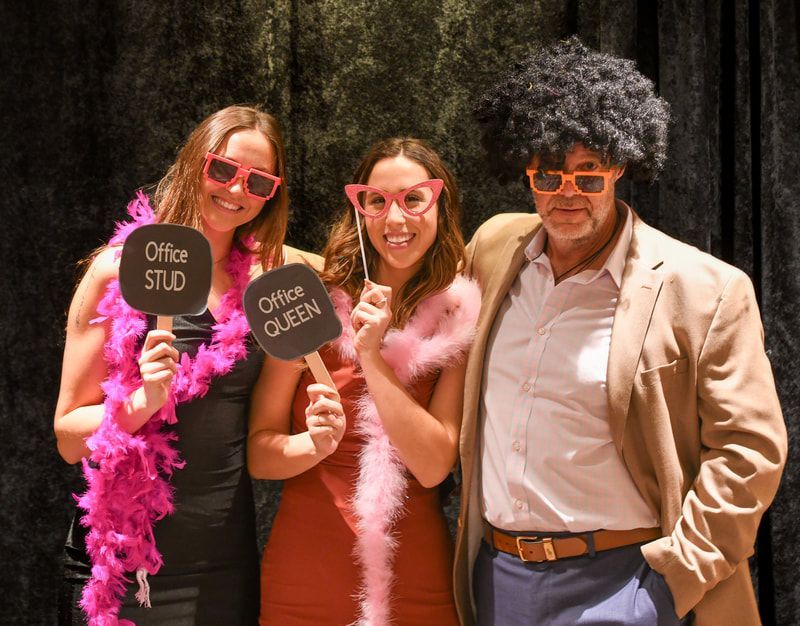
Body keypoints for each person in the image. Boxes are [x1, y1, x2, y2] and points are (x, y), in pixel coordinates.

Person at [454, 37, 787, 626]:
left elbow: (749, 450)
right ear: (524, 168)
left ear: (622, 164)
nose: (566, 194)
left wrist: (673, 580)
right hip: (498, 579)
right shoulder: (494, 248)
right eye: (549, 174)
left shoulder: (705, 288)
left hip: (624, 584)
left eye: (589, 176)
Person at [54, 105, 320, 625]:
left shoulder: (267, 277)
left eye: (258, 181)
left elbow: (351, 264)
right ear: (194, 163)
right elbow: (67, 435)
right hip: (124, 566)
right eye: (222, 169)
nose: (236, 190)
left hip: (224, 561)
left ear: (273, 193)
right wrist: (141, 402)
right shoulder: (118, 268)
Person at [249, 137, 481, 625]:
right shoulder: (309, 305)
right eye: (377, 201)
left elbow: (435, 464)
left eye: (413, 198)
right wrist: (311, 445)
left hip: (414, 577)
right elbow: (259, 453)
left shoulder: (457, 316)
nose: (395, 219)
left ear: (442, 204)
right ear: (359, 209)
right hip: (304, 575)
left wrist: (371, 357)